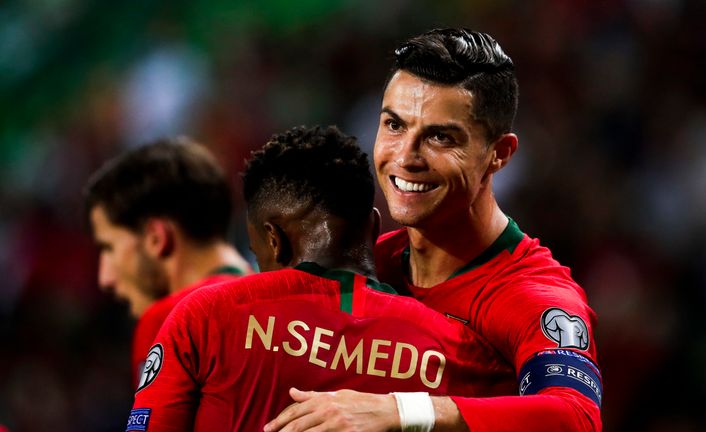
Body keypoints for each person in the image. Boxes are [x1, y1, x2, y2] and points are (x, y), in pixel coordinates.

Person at [265, 28, 602, 432]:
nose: (405, 157)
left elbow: (575, 417)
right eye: (393, 125)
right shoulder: (365, 267)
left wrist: (402, 412)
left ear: (499, 155)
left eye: (440, 137)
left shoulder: (532, 298)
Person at [127, 125, 519, 431]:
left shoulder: (205, 316)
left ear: (273, 240)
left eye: (256, 252)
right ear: (373, 226)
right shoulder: (462, 351)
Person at [84, 137, 250, 388]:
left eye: (110, 247)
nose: (105, 278)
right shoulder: (283, 316)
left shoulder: (168, 322)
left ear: (155, 238)